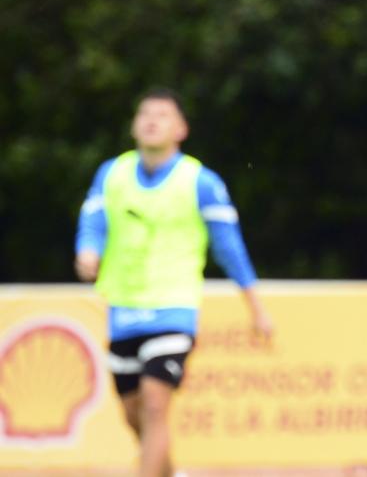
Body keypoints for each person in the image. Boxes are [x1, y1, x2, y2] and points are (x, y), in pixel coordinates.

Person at [74, 88, 273, 477]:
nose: (151, 120)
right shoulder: (112, 173)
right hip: (123, 308)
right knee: (136, 417)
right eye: (144, 113)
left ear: (181, 128)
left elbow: (230, 249)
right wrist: (87, 251)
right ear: (133, 125)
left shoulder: (201, 181)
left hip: (174, 309)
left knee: (154, 404)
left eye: (162, 115)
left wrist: (257, 308)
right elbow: (93, 222)